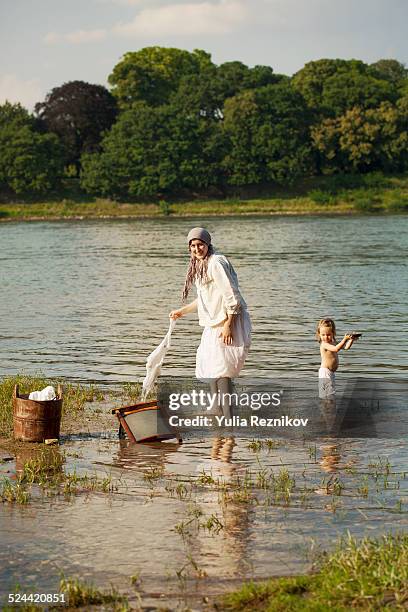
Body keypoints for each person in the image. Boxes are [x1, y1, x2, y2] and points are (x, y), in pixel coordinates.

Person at [169, 227, 251, 418]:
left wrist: (228, 324)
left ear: (208, 245)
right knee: (212, 365)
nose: (197, 249)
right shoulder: (200, 265)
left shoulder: (215, 263)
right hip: (214, 323)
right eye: (193, 246)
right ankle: (216, 408)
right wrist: (182, 312)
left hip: (228, 321)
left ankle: (229, 416)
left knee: (222, 370)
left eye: (200, 245)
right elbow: (205, 299)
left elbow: (232, 296)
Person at [316, 318, 353, 399]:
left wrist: (350, 340)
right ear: (319, 334)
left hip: (330, 373)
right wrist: (344, 339)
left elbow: (346, 347)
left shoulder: (333, 342)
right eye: (323, 335)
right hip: (325, 372)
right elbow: (336, 349)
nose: (326, 337)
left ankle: (328, 410)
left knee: (330, 394)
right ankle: (327, 410)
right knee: (328, 395)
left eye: (328, 334)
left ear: (333, 333)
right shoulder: (324, 344)